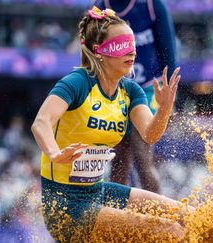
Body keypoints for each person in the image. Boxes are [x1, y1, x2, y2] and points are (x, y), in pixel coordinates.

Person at [31, 7, 185, 242]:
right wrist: (55, 153)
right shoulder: (78, 82)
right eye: (122, 45)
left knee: (187, 216)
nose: (131, 52)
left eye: (132, 45)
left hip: (98, 192)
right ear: (99, 52)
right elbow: (41, 123)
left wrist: (163, 108)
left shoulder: (131, 90)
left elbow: (150, 135)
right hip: (65, 207)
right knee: (171, 232)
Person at [94, 0, 177, 193]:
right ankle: (117, 219)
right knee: (118, 161)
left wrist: (170, 99)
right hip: (116, 90)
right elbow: (91, 56)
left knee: (142, 155)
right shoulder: (100, 8)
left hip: (149, 87)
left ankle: (160, 217)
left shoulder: (151, 5)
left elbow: (169, 53)